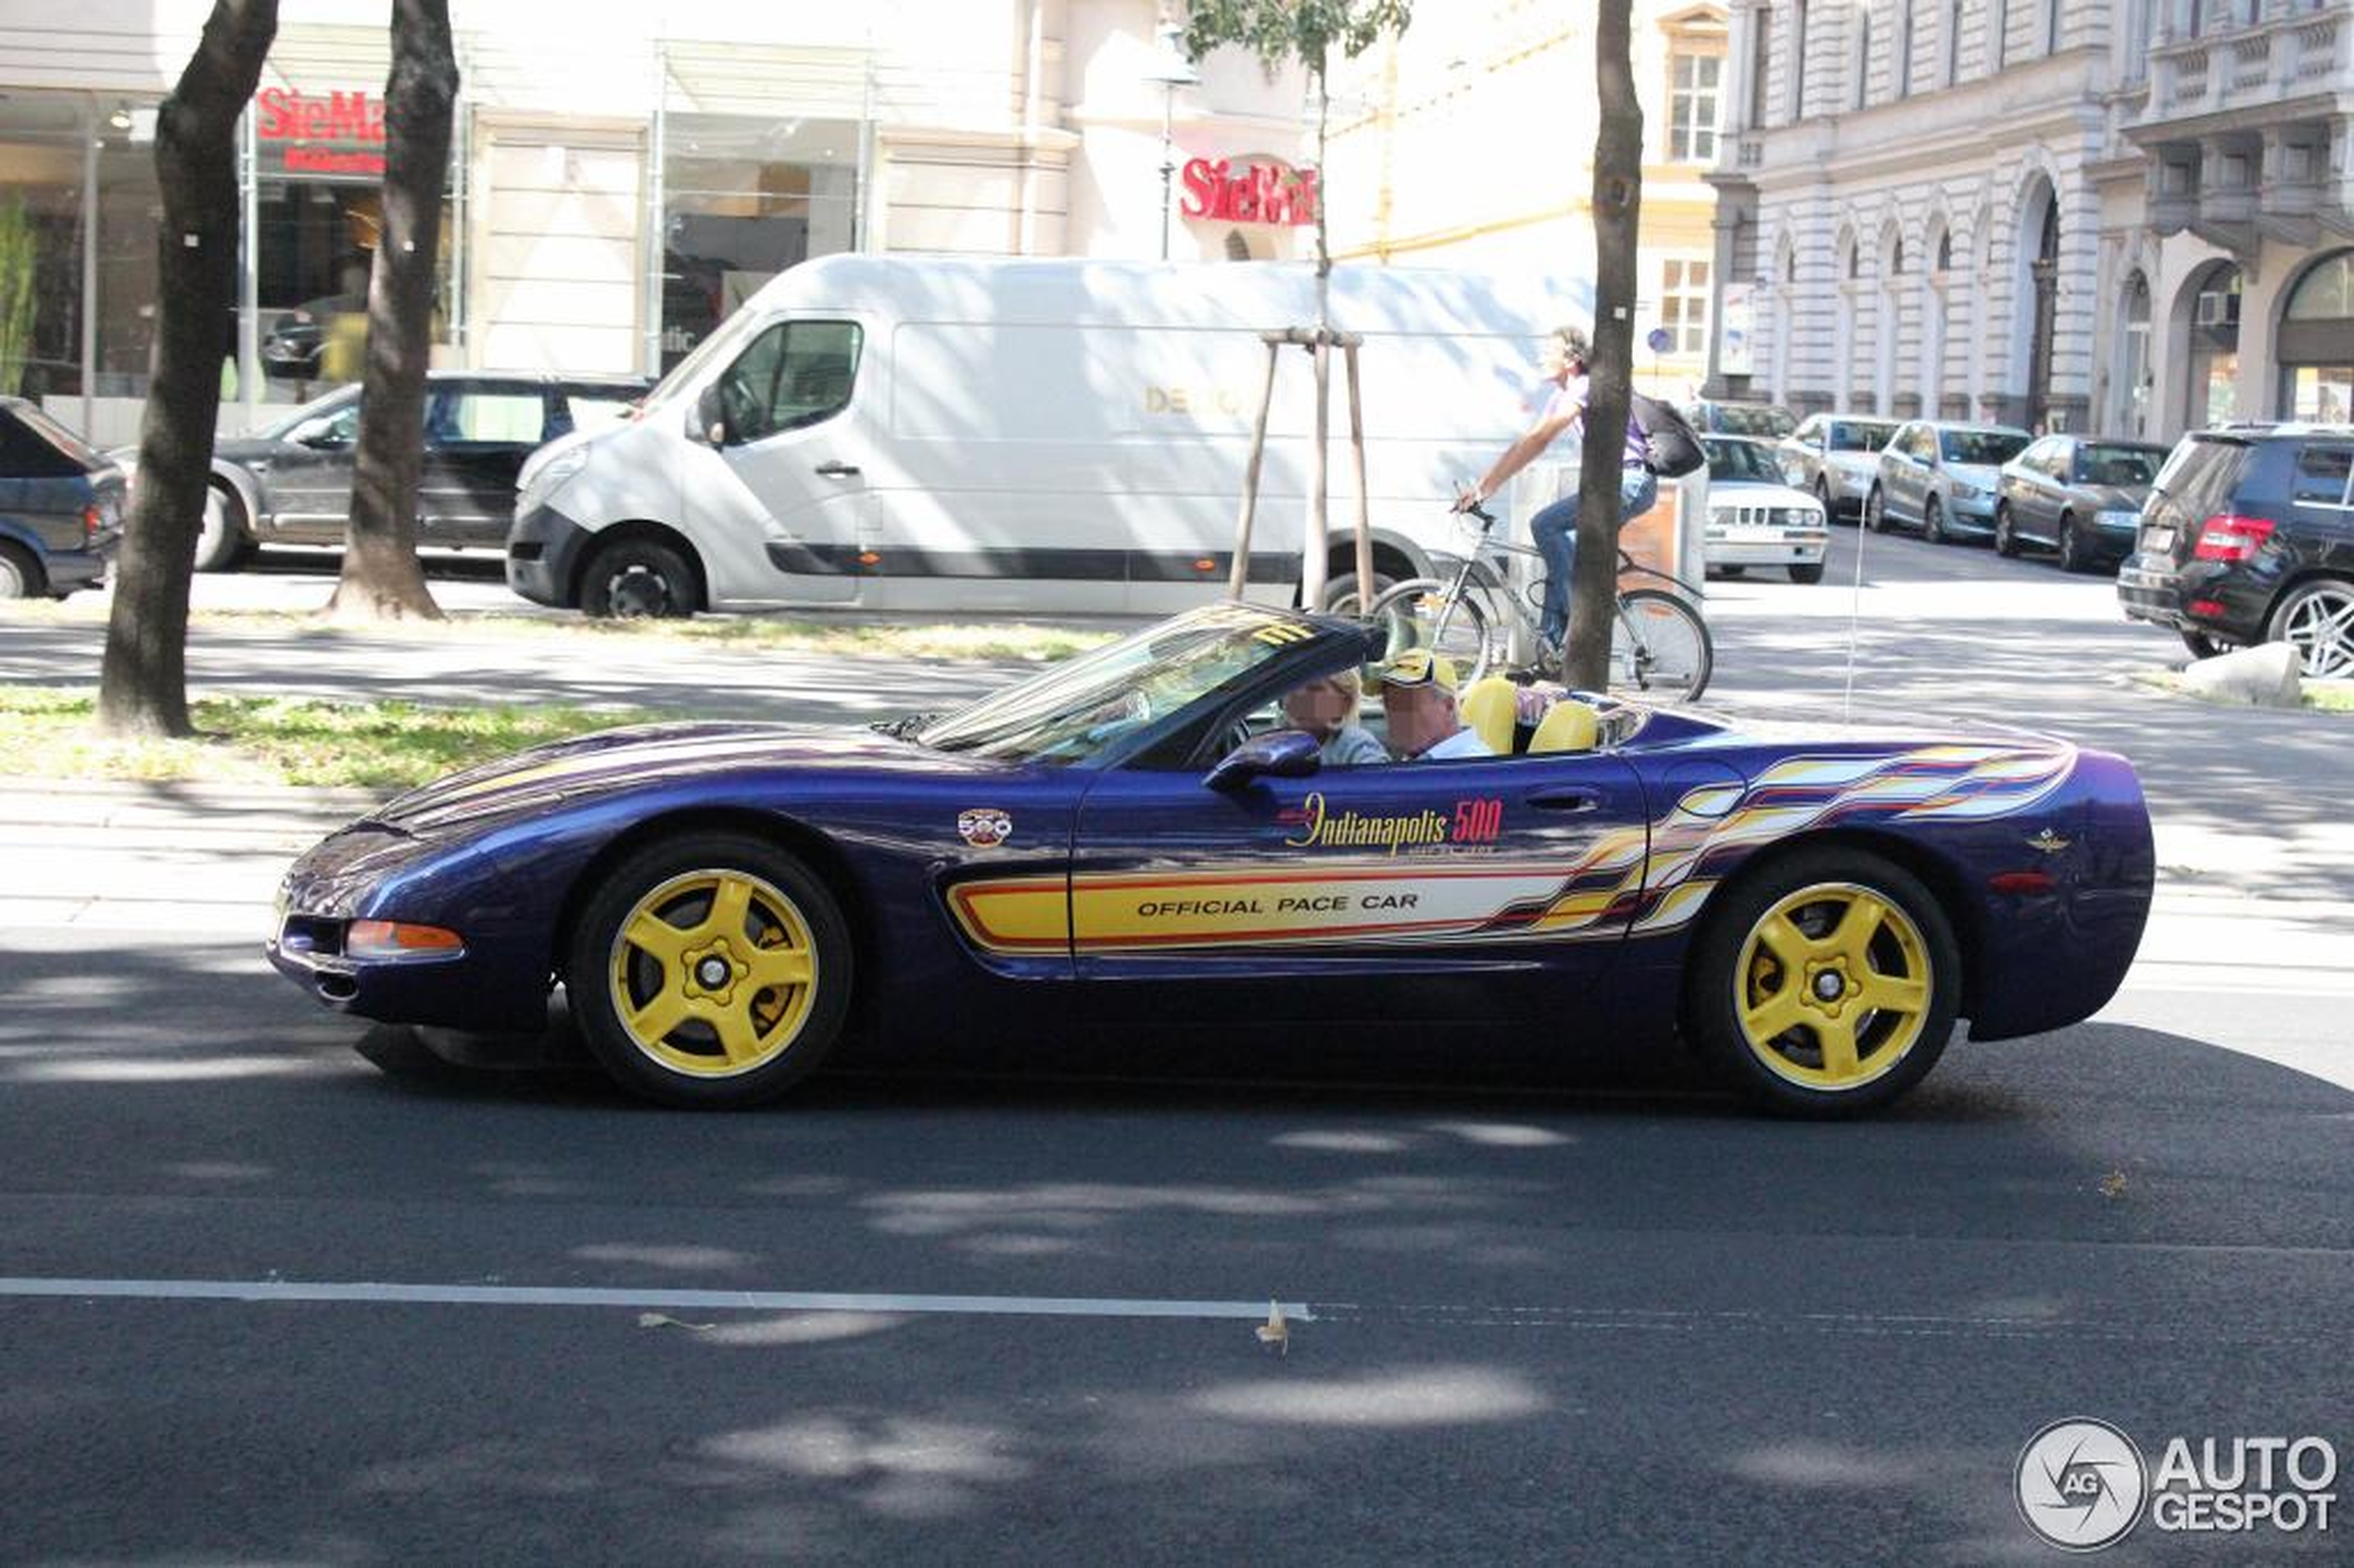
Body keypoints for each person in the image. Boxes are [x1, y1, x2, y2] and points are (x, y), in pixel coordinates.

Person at [1453, 324, 1658, 659]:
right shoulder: (1564, 394)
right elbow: (1529, 443)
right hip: (1621, 484)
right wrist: (1484, 486)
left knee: (1544, 525)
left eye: (1549, 351)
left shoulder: (1583, 387)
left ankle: (1579, 612)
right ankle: (1549, 653)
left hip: (1628, 483)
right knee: (1561, 562)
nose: (1541, 357)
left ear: (1571, 360)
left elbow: (1539, 440)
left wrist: (1484, 489)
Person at [1370, 649, 1492, 762]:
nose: (1397, 716)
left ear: (1448, 706)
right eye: (1389, 704)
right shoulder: (1425, 760)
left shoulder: (1470, 769)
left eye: (1409, 705)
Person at [1282, 666, 1388, 768]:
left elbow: (1381, 780)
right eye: (1292, 687)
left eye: (1314, 689)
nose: (1297, 696)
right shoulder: (1275, 740)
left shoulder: (1354, 743)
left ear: (1344, 704)